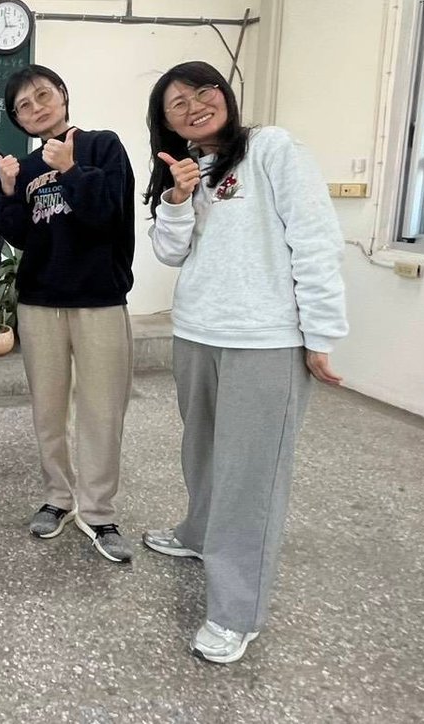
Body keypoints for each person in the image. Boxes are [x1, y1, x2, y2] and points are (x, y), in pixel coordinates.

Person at [142, 60, 348, 664]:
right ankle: (197, 532)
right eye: (177, 104)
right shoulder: (185, 171)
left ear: (224, 93)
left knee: (249, 477)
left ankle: (237, 610)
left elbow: (314, 238)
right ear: (167, 123)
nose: (194, 107)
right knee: (203, 451)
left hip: (266, 340)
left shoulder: (271, 148)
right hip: (196, 332)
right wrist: (177, 198)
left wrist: (321, 332)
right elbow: (170, 252)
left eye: (202, 91)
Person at [0, 64, 137, 563]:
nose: (36, 108)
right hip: (40, 303)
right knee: (48, 411)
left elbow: (108, 216)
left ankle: (97, 511)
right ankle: (57, 497)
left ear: (63, 94)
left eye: (42, 95)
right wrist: (8, 190)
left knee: (102, 411)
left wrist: (72, 169)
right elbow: (20, 236)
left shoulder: (103, 145)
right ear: (18, 120)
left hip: (99, 300)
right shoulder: (28, 167)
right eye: (23, 106)